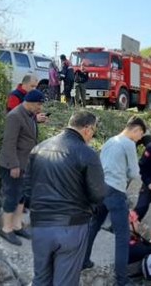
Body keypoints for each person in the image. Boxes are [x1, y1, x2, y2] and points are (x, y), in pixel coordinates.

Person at [25, 110, 105, 286]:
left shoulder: (38, 149)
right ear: (87, 129)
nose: (92, 136)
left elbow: (26, 188)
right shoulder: (87, 154)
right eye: (93, 132)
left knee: (40, 280)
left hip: (40, 225)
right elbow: (98, 194)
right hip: (71, 227)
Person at [84, 116, 147, 286]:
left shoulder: (111, 141)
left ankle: (84, 260)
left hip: (100, 189)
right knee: (122, 236)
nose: (140, 139)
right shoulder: (128, 143)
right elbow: (134, 173)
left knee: (94, 226)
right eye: (140, 135)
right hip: (115, 191)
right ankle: (122, 280)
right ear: (136, 130)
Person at [0, 89, 45, 246]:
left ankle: (17, 225)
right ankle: (6, 229)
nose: (40, 109)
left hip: (25, 163)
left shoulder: (29, 115)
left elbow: (29, 134)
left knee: (22, 196)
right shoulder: (15, 116)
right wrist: (14, 165)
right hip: (12, 165)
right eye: (39, 105)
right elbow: (9, 143)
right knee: (11, 196)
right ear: (30, 102)